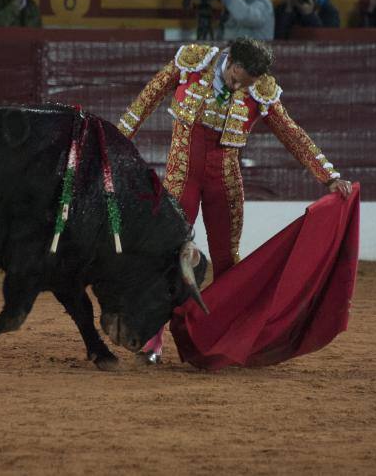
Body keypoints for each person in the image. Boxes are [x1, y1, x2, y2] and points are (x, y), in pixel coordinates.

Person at [117, 38, 352, 363]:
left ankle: (221, 338)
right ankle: (152, 337)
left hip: (224, 179)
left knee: (227, 259)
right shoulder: (193, 63)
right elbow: (146, 100)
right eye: (241, 78)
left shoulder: (261, 90)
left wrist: (328, 174)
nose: (243, 86)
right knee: (167, 254)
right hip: (181, 173)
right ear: (234, 65)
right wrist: (117, 141)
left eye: (250, 83)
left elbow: (291, 133)